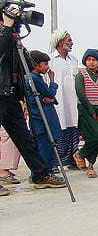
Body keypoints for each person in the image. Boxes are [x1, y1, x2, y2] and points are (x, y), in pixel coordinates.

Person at [0, 8, 65, 192]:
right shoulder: (3, 36)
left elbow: (28, 64)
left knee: (26, 140)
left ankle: (40, 174)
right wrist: (6, 29)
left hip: (11, 97)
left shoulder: (11, 39)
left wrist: (16, 39)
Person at [26, 50, 63, 178]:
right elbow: (49, 94)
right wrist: (52, 81)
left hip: (43, 118)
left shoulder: (36, 78)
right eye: (45, 64)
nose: (47, 67)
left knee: (46, 146)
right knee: (44, 148)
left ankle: (45, 172)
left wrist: (52, 99)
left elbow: (50, 97)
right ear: (36, 65)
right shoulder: (34, 79)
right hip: (41, 120)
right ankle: (44, 174)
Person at [73, 49, 98, 178]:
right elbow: (81, 94)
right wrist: (91, 111)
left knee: (97, 139)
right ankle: (80, 155)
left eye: (94, 60)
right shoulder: (81, 76)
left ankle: (91, 166)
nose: (92, 62)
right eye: (89, 60)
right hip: (86, 110)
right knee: (95, 137)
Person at [48, 28, 79, 170]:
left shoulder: (74, 60)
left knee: (73, 127)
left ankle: (72, 160)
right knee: (59, 129)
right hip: (58, 102)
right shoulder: (50, 60)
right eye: (69, 40)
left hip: (73, 103)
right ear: (61, 42)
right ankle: (55, 163)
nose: (72, 43)